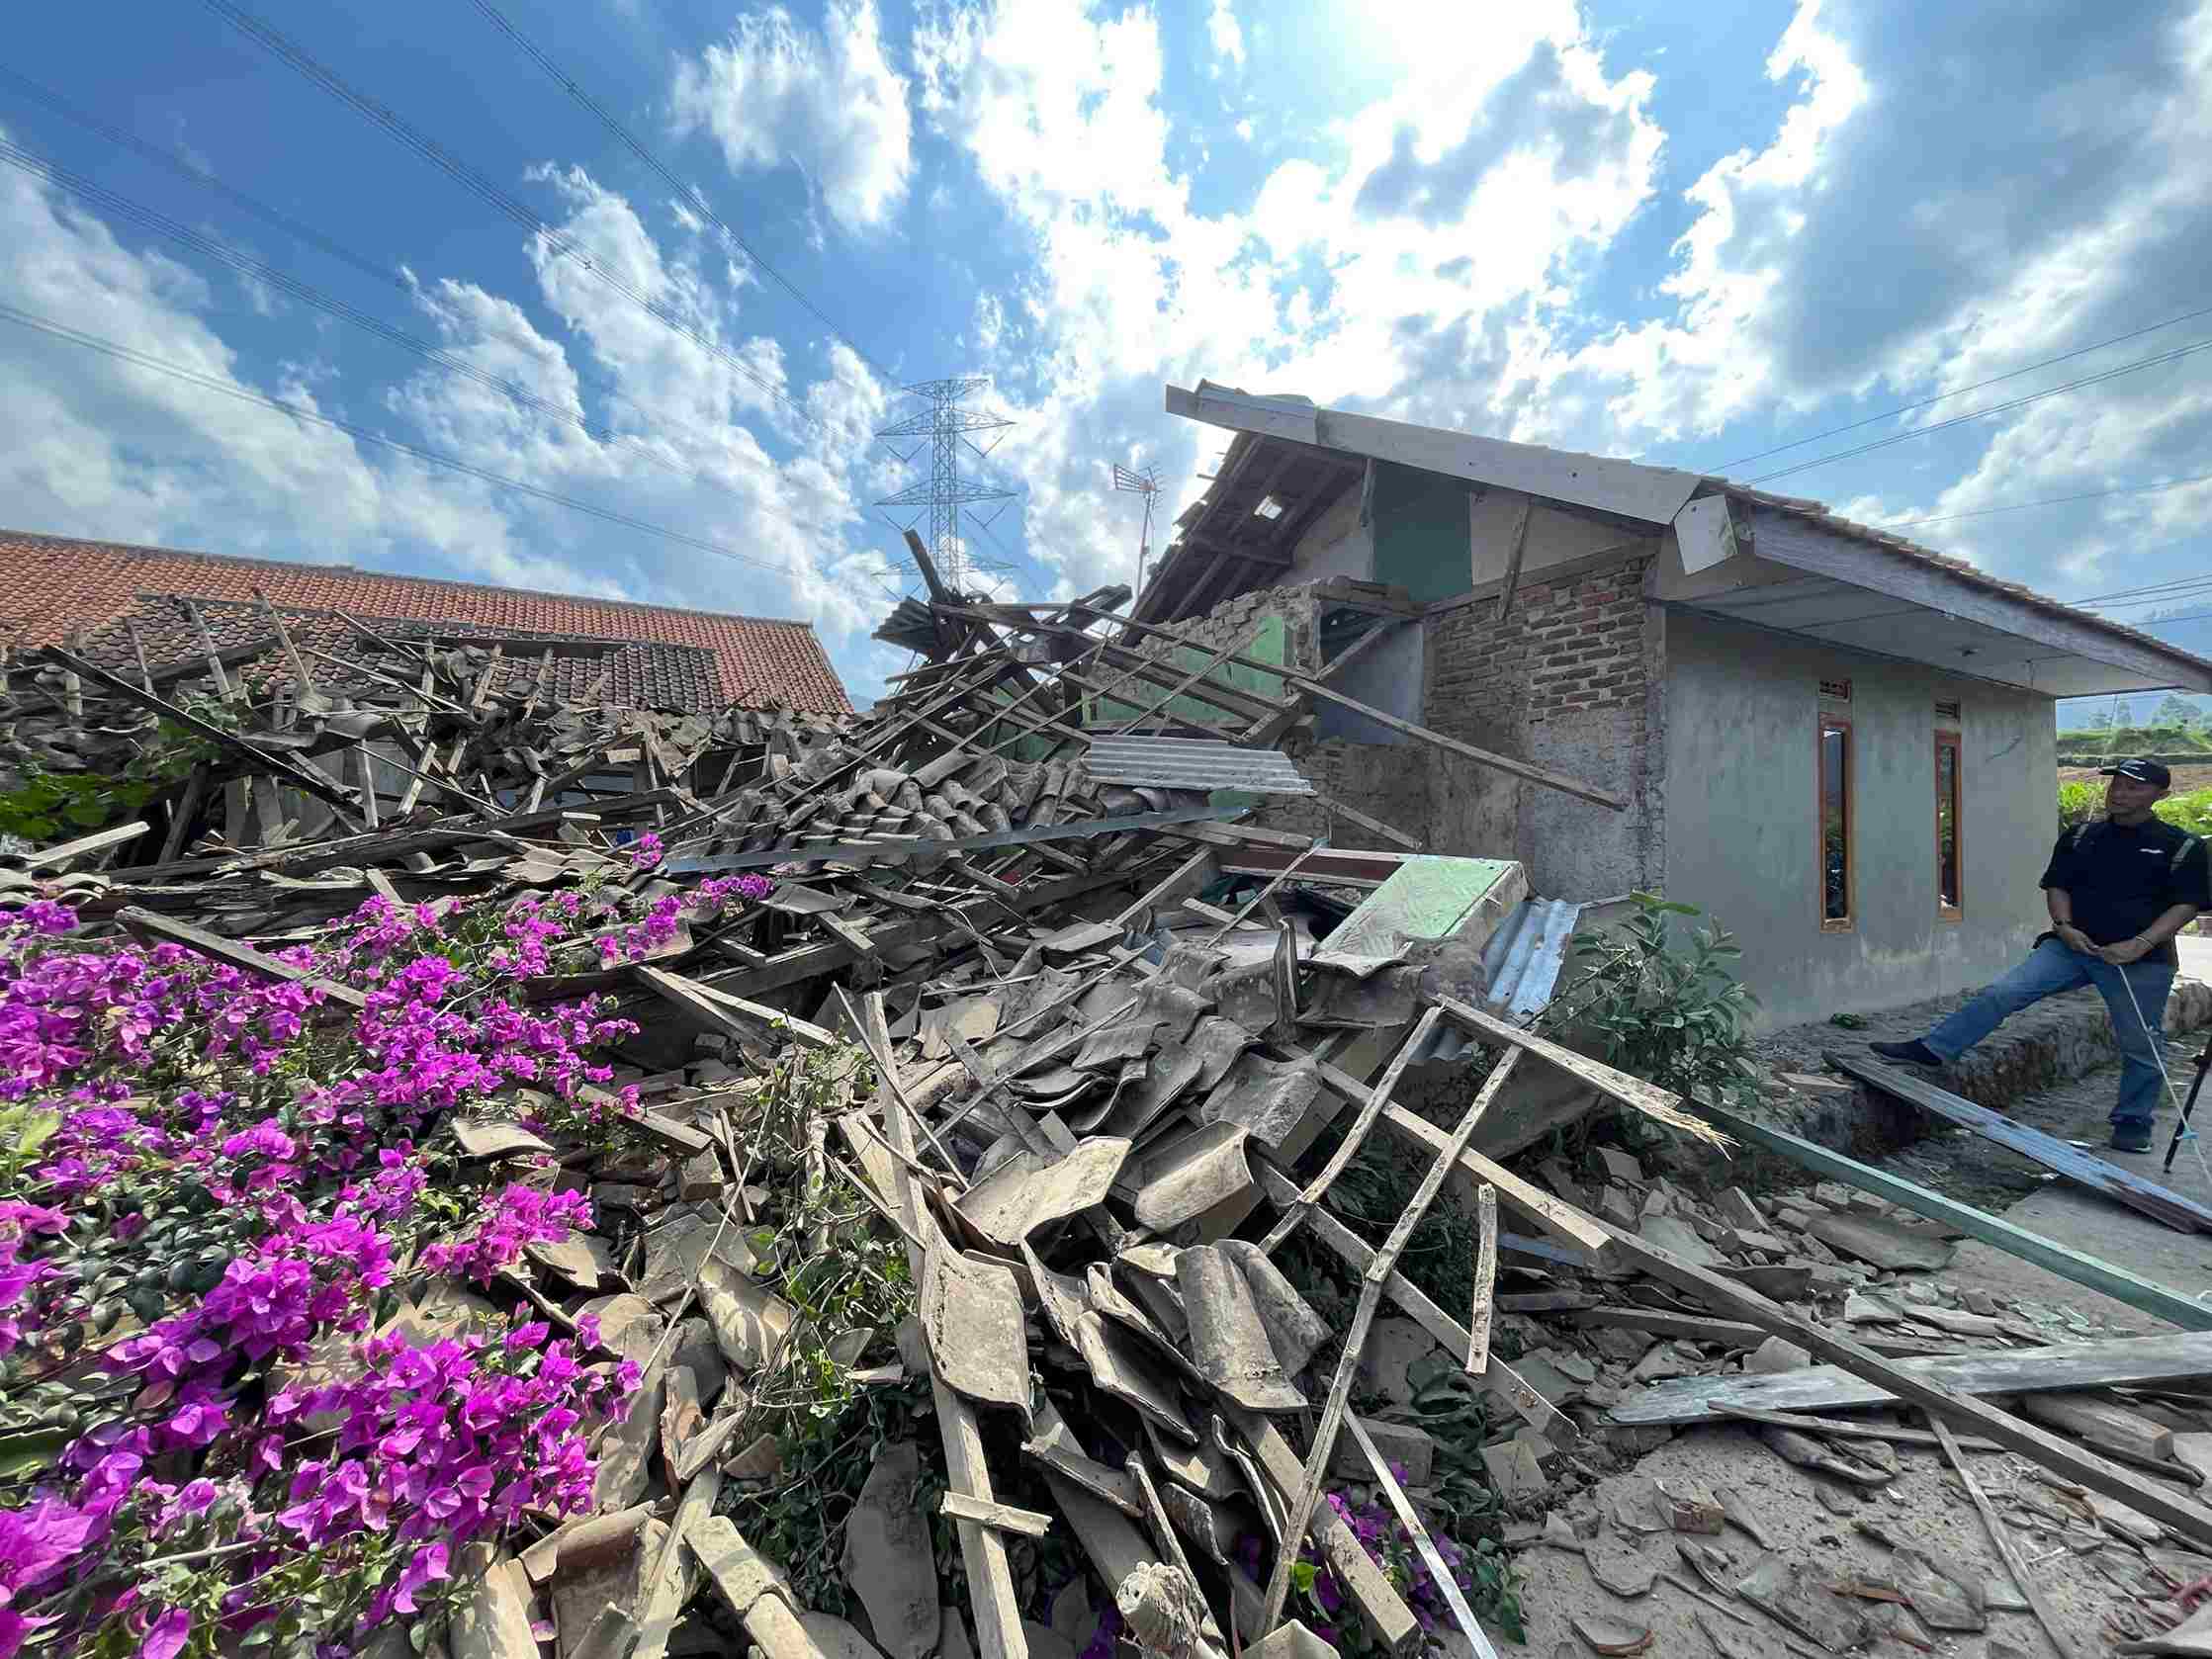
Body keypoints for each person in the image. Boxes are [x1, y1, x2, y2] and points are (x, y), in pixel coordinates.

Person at [1871, 758, 2208, 1153]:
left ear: (2159, 795)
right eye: (2116, 784)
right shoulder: (2081, 836)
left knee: (2141, 1043)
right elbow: (2057, 885)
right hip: (2071, 948)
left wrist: (2139, 944)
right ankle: (1932, 1051)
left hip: (2140, 960)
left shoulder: (2183, 846)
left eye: (2134, 787)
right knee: (2002, 993)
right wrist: (2064, 927)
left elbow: (2187, 906)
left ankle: (2133, 1122)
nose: (2119, 792)